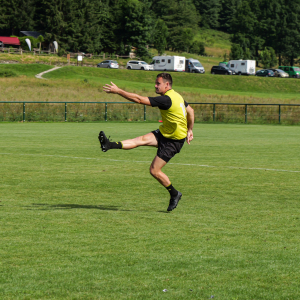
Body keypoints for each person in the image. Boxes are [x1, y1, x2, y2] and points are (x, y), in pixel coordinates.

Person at [99, 73, 194, 212]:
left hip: (173, 141)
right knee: (140, 140)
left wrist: (118, 91)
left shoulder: (166, 99)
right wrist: (190, 129)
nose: (155, 86)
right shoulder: (177, 96)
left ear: (167, 85)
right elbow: (190, 111)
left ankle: (174, 194)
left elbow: (139, 99)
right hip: (165, 133)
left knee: (154, 171)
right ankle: (109, 145)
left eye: (158, 84)